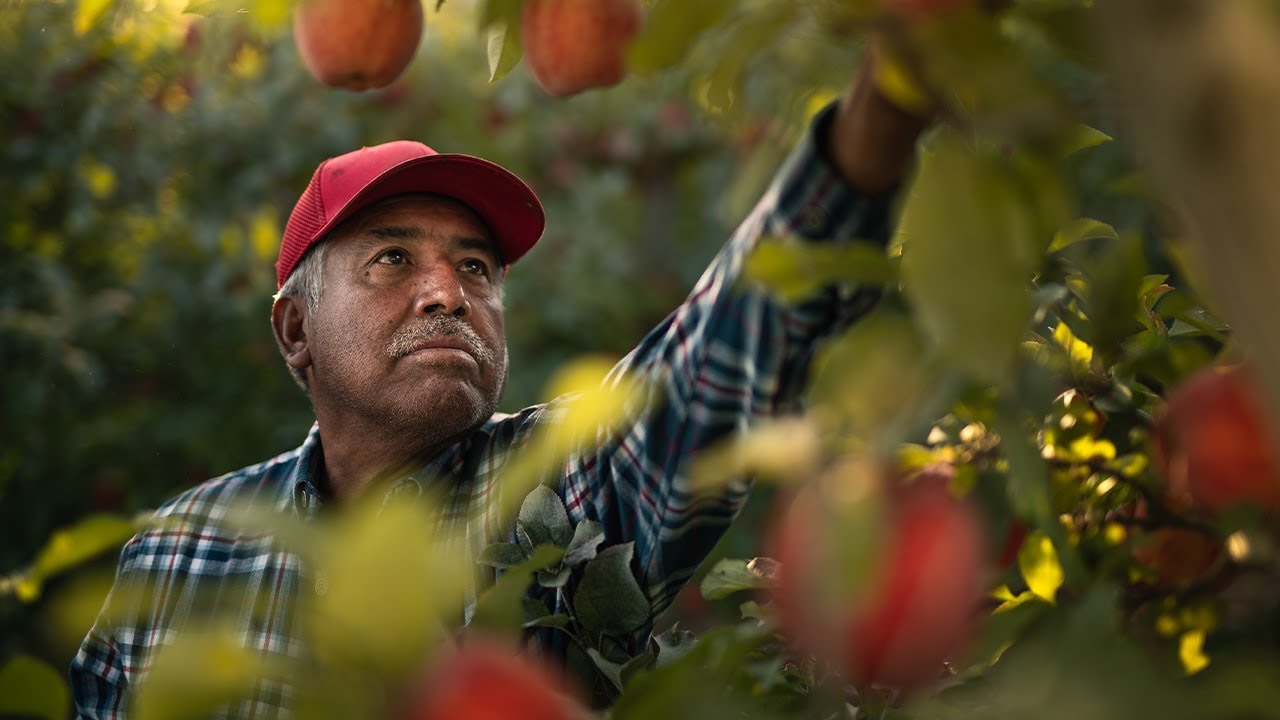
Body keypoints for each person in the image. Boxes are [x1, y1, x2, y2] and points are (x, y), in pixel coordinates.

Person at [70, 55, 929, 718]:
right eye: (394, 258)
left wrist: (880, 114)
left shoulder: (559, 490)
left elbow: (724, 353)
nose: (449, 291)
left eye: (475, 266)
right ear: (296, 330)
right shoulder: (175, 553)